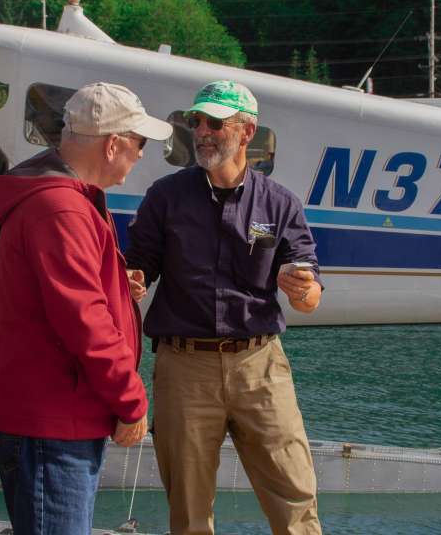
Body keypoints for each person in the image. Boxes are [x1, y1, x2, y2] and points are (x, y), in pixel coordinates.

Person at [125, 80, 324, 535]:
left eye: (215, 123)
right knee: (189, 508)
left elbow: (311, 295)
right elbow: (139, 267)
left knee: (295, 496)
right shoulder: (165, 197)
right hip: (183, 368)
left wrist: (302, 289)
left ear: (246, 131)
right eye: (197, 122)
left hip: (261, 367)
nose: (202, 132)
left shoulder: (280, 204)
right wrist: (132, 280)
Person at [0, 82, 171, 534]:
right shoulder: (63, 209)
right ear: (113, 145)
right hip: (53, 425)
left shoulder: (62, 199)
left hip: (51, 417)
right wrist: (131, 402)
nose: (143, 155)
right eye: (139, 143)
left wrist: (112, 282)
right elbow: (83, 320)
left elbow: (69, 297)